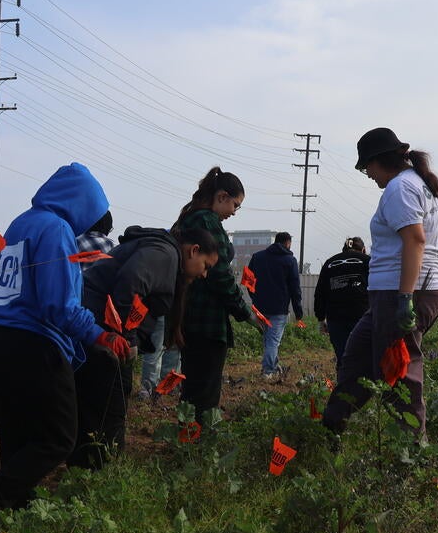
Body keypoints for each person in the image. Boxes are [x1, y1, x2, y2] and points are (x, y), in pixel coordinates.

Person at [0, 163, 130, 533]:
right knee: (57, 438)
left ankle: (3, 528)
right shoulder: (57, 229)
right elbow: (58, 307)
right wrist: (99, 335)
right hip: (35, 348)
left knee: (18, 442)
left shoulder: (21, 224)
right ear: (81, 203)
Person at [322, 128, 438, 439]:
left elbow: (416, 240)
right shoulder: (420, 185)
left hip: (401, 292)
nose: (368, 176)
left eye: (367, 168)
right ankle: (331, 428)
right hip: (397, 292)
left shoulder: (400, 188)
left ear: (380, 161)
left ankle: (407, 454)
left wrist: (405, 296)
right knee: (357, 357)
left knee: (399, 373)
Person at [69, 226, 219, 468]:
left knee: (99, 403)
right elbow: (130, 283)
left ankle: (86, 468)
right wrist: (126, 337)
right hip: (101, 331)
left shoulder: (164, 252)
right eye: (206, 266)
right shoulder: (165, 254)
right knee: (110, 404)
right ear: (194, 251)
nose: (204, 274)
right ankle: (99, 472)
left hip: (96, 327)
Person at [172, 167, 264, 420]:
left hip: (189, 315)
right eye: (235, 204)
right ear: (221, 196)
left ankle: (188, 438)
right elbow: (220, 275)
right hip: (206, 319)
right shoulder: (207, 221)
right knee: (205, 390)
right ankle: (199, 443)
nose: (234, 212)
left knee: (193, 388)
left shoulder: (189, 218)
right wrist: (246, 313)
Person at [247, 232, 303, 381]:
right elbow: (295, 288)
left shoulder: (257, 257)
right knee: (273, 341)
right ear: (287, 243)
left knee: (268, 339)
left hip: (259, 307)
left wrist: (255, 298)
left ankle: (273, 365)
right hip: (279, 309)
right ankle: (268, 371)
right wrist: (299, 313)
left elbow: (248, 280)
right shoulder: (289, 260)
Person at [314, 237, 370, 364]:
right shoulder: (368, 261)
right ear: (363, 249)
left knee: (342, 356)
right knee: (364, 357)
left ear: (343, 250)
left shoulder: (329, 263)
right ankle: (361, 382)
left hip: (336, 318)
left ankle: (344, 382)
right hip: (362, 316)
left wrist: (321, 319)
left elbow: (320, 293)